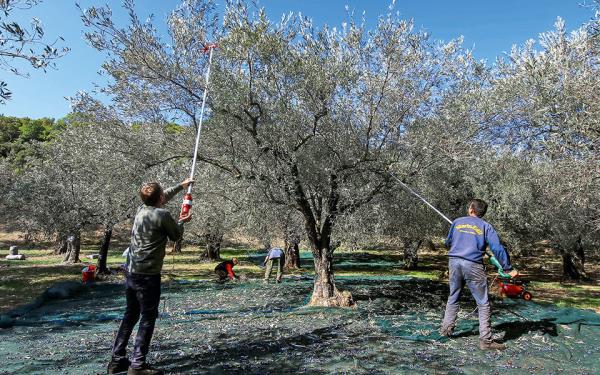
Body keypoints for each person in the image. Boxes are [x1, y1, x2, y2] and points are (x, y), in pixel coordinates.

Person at [107, 179, 193, 375]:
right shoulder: (162, 215)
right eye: (163, 194)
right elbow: (176, 236)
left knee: (130, 315)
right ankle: (137, 365)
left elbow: (162, 196)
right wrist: (182, 221)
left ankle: (117, 360)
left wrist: (182, 186)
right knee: (148, 317)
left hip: (131, 272)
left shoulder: (141, 210)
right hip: (148, 276)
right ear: (160, 198)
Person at [439, 199, 518, 351]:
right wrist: (508, 268)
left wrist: (460, 239)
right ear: (482, 212)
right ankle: (486, 341)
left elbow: (447, 243)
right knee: (482, 303)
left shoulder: (457, 222)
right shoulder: (486, 227)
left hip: (454, 262)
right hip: (473, 265)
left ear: (470, 209)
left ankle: (445, 330)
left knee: (453, 296)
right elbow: (497, 248)